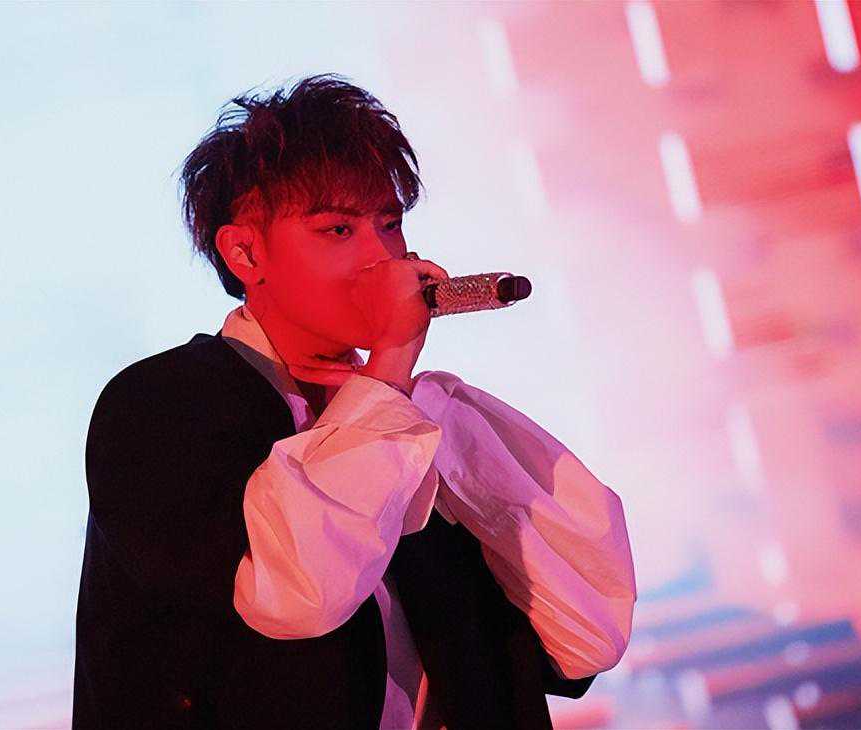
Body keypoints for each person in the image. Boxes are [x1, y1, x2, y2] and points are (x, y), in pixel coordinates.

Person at [72, 73, 637, 730]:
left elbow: (587, 635)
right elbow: (297, 594)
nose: (381, 257)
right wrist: (389, 371)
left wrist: (429, 415)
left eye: (390, 224)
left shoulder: (411, 419)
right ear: (245, 251)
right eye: (338, 229)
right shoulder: (160, 406)